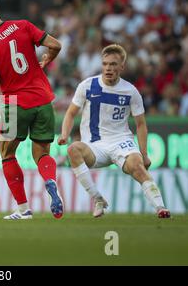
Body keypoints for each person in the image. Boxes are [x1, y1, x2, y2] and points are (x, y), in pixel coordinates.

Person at [0, 0, 64, 220]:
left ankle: (24, 210)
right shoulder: (23, 25)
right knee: (41, 153)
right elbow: (56, 45)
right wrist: (48, 59)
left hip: (15, 104)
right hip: (42, 100)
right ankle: (50, 181)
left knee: (7, 153)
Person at [58, 44, 170, 218]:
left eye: (113, 64)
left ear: (121, 67)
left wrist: (144, 153)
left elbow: (141, 124)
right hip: (95, 145)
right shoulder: (87, 85)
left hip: (121, 142)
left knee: (138, 166)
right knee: (73, 150)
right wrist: (65, 134)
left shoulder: (131, 91)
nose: (108, 68)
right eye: (105, 64)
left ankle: (161, 208)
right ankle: (98, 199)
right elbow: (70, 113)